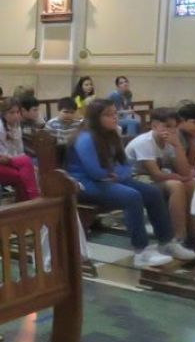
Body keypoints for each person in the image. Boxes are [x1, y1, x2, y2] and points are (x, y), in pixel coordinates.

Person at [66, 100, 177, 267]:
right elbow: (94, 171)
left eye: (115, 114)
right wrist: (116, 174)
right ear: (96, 118)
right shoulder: (85, 138)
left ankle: (165, 242)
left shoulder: (112, 133)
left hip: (109, 178)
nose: (115, 118)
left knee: (152, 193)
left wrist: (119, 175)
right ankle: (141, 251)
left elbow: (125, 164)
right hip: (83, 183)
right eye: (109, 115)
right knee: (132, 197)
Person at [125, 108, 195, 258]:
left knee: (191, 183)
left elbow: (184, 171)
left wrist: (178, 146)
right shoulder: (144, 142)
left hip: (154, 178)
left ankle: (194, 234)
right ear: (154, 125)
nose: (171, 130)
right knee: (176, 185)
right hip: (136, 179)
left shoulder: (170, 141)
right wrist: (180, 178)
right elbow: (156, 175)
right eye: (167, 126)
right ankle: (178, 237)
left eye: (174, 127)